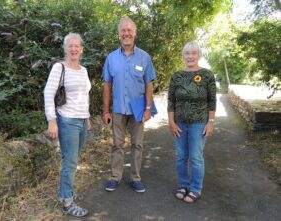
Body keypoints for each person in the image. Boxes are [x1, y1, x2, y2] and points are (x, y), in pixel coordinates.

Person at [102, 17, 156, 193]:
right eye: (123, 31)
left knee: (137, 144)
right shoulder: (111, 58)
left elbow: (149, 84)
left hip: (138, 110)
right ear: (119, 34)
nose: (126, 33)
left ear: (135, 33)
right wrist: (105, 111)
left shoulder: (144, 57)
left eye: (129, 30)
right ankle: (115, 177)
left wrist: (148, 108)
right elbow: (107, 86)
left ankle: (135, 178)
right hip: (118, 110)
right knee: (117, 145)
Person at [44, 33, 91, 217]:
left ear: (81, 49)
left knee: (73, 160)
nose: (74, 49)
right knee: (70, 162)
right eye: (70, 46)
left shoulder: (84, 70)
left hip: (82, 120)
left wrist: (87, 118)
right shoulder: (59, 68)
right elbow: (48, 93)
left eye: (77, 46)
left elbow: (85, 96)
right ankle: (66, 202)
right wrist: (51, 120)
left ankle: (67, 191)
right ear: (65, 49)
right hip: (67, 121)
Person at [167, 41, 216, 203]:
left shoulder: (207, 75)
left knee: (195, 157)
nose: (190, 56)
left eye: (193, 53)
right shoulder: (176, 76)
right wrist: (171, 122)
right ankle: (183, 185)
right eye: (187, 53)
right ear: (183, 56)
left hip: (199, 123)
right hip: (179, 123)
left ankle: (195, 189)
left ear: (199, 55)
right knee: (181, 157)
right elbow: (171, 101)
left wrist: (211, 121)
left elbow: (212, 100)